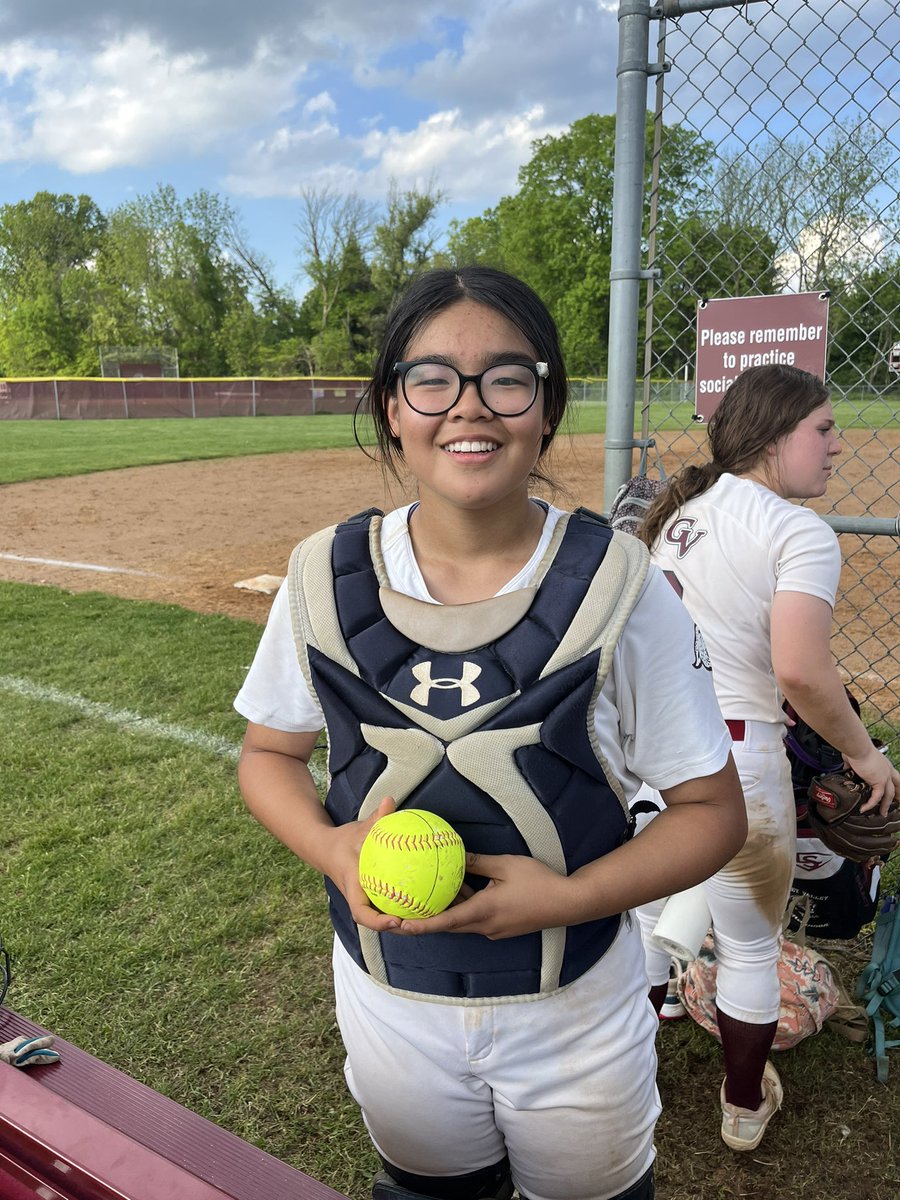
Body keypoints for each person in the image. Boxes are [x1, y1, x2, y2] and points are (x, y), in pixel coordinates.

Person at [233, 266, 747, 1200]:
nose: (469, 408)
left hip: (574, 1005)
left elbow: (711, 813)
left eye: (508, 378)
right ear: (393, 406)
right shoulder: (322, 577)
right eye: (432, 379)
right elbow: (270, 752)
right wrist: (329, 847)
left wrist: (566, 898)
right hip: (391, 996)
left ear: (545, 407)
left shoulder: (621, 587)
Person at [632, 363, 900, 1154]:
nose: (837, 446)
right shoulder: (795, 529)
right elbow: (801, 670)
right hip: (735, 760)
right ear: (775, 436)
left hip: (651, 751)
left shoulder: (680, 513)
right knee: (748, 944)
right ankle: (743, 1105)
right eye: (822, 429)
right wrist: (865, 758)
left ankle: (635, 1055)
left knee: (648, 919)